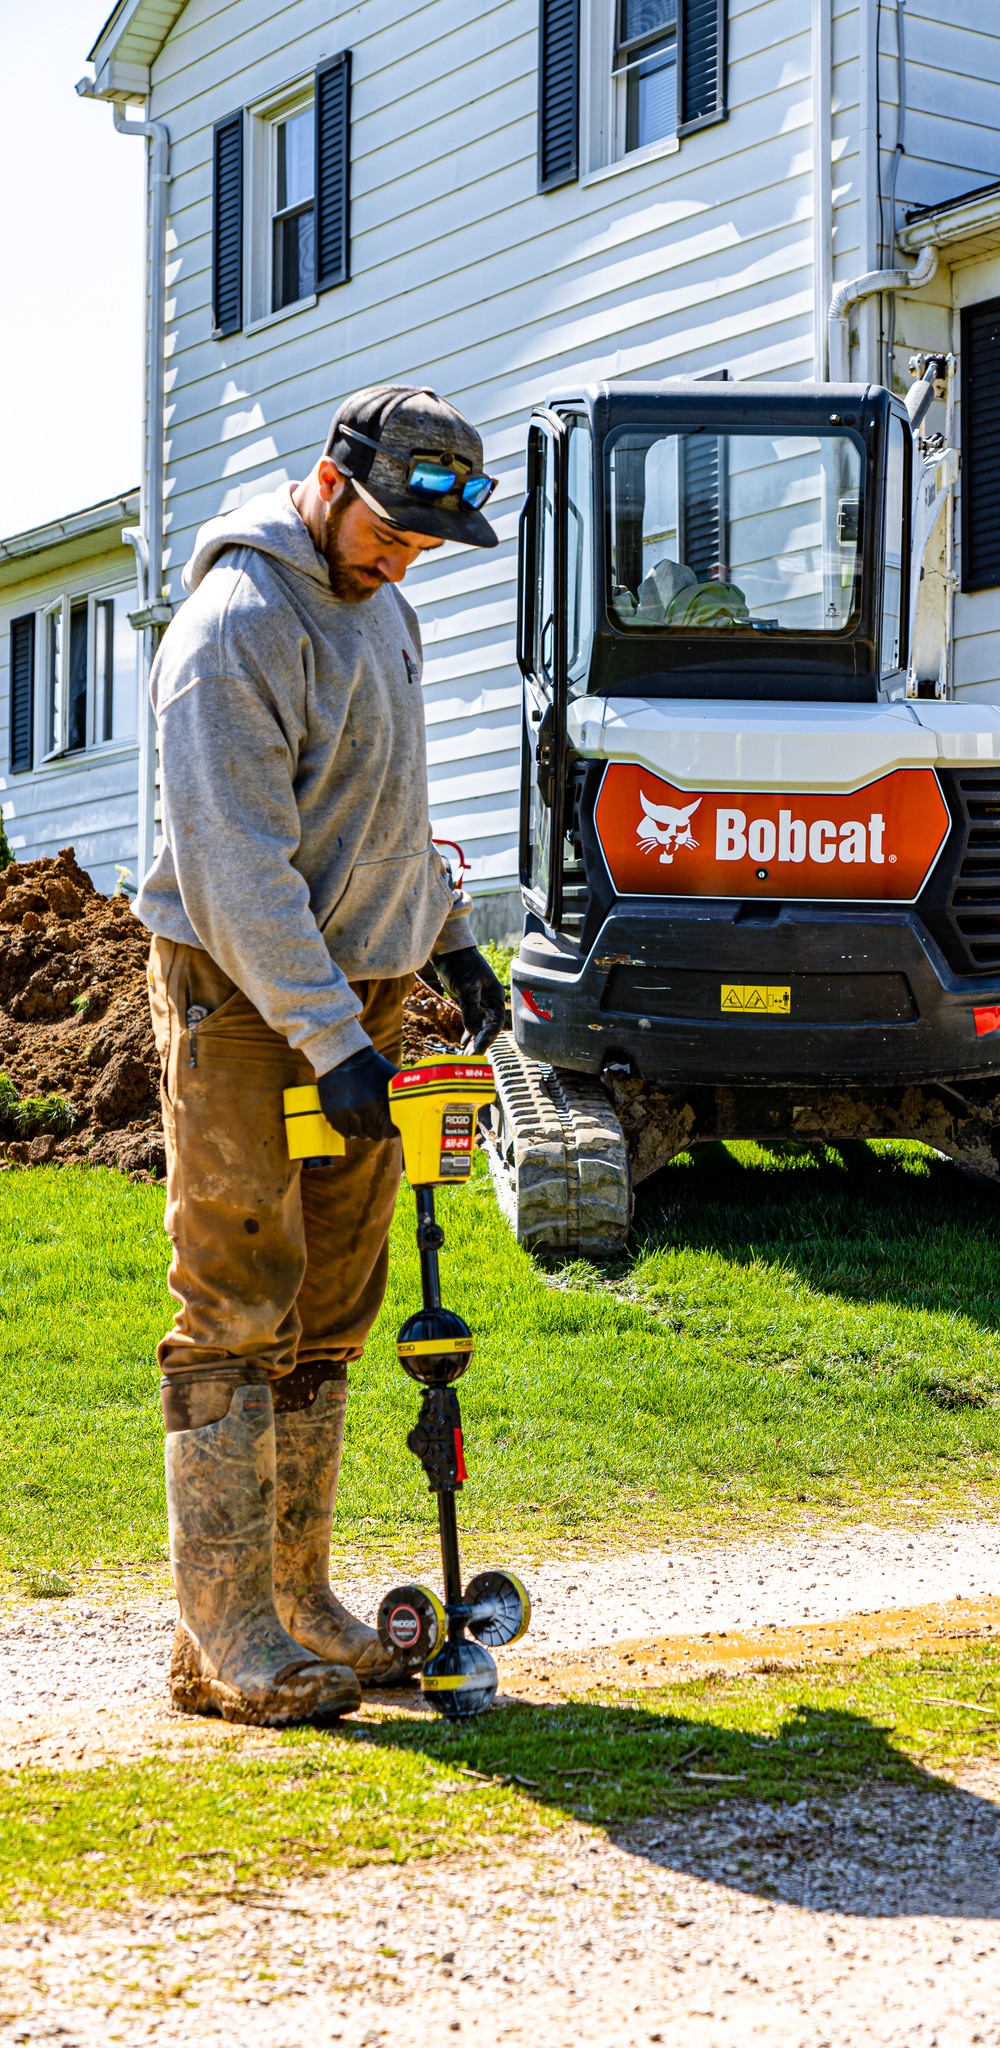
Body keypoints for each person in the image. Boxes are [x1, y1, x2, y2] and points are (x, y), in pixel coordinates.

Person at [135, 384, 507, 1727]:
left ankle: (303, 1607)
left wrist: (449, 941)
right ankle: (223, 1632)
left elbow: (383, 811)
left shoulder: (386, 612)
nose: (403, 556)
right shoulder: (237, 622)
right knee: (237, 1292)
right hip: (246, 998)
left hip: (361, 995)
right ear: (329, 478)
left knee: (335, 1303)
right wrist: (329, 1034)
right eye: (390, 528)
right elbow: (238, 868)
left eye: (425, 541)